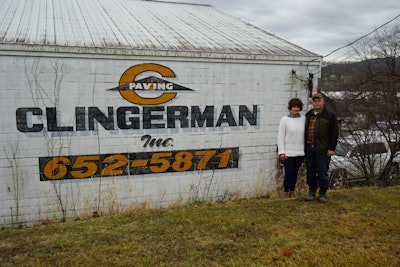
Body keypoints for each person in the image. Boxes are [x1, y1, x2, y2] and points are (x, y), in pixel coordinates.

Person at [304, 93, 339, 203]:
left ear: (322, 102)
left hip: (322, 150)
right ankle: (311, 192)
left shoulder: (329, 115)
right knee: (310, 172)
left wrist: (331, 148)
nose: (317, 103)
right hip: (310, 148)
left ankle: (323, 193)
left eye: (319, 101)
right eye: (315, 101)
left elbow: (334, 134)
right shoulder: (308, 115)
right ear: (312, 103)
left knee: (322, 173)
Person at [277, 98, 306, 199]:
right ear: (290, 107)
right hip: (288, 153)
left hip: (300, 152)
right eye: (294, 107)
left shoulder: (303, 119)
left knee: (295, 174)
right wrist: (281, 152)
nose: (296, 109)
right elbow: (280, 137)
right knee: (288, 173)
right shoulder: (284, 120)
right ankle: (285, 192)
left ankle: (292, 192)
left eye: (298, 107)